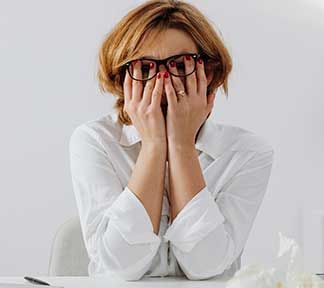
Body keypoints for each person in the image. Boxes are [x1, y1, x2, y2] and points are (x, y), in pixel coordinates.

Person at [69, 0, 274, 281]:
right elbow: (119, 267)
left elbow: (206, 265)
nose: (163, 83)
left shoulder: (247, 153)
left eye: (180, 65)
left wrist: (180, 145)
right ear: (123, 77)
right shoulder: (94, 141)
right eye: (145, 67)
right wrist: (154, 146)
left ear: (209, 73)